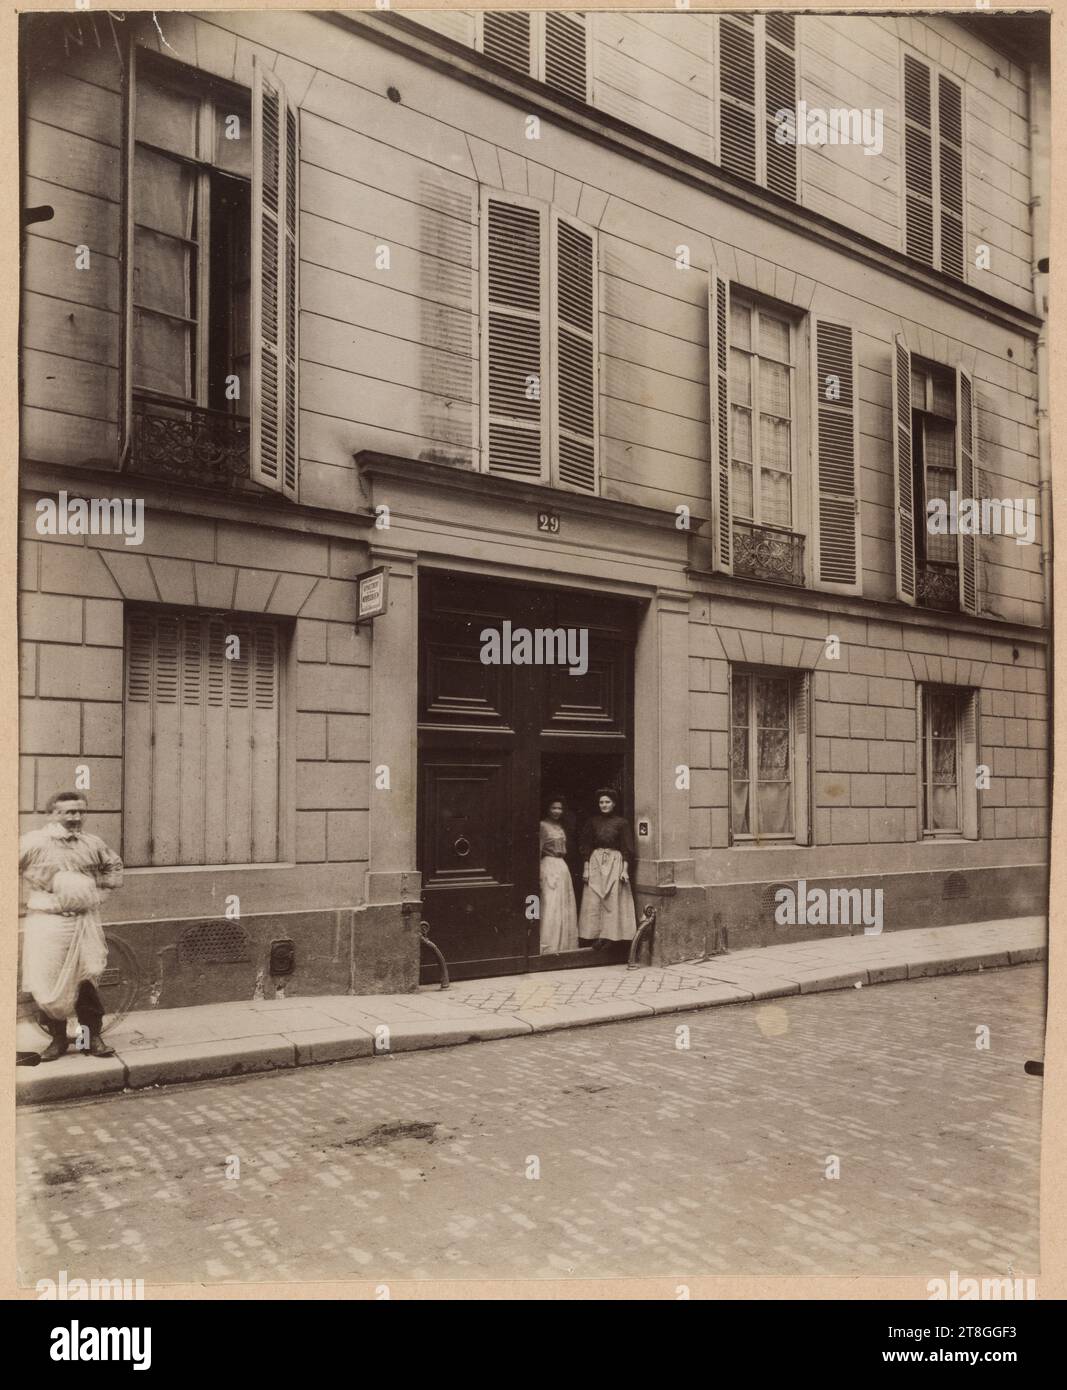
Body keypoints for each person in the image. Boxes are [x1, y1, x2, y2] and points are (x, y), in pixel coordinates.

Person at [19, 791, 124, 1061]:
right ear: (53, 814)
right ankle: (57, 1041)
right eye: (68, 812)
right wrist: (23, 901)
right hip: (48, 923)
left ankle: (91, 1039)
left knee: (87, 979)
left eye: (79, 811)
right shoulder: (33, 842)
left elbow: (114, 868)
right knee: (49, 983)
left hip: (84, 922)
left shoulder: (92, 843)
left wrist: (98, 894)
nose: (75, 817)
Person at [578, 787, 638, 944]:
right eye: (601, 802)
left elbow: (627, 848)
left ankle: (611, 937)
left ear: (614, 804)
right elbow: (586, 845)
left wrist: (625, 870)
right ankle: (594, 935)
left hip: (614, 862)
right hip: (596, 861)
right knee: (594, 899)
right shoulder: (592, 822)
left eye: (607, 802)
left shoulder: (621, 823)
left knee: (612, 898)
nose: (604, 805)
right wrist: (586, 869)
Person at [539, 797, 578, 954]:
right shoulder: (542, 825)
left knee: (563, 905)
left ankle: (563, 946)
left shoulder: (561, 826)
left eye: (560, 808)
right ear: (548, 809)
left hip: (562, 866)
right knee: (550, 905)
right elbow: (538, 849)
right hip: (548, 866)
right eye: (554, 808)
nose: (557, 811)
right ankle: (549, 945)